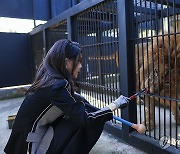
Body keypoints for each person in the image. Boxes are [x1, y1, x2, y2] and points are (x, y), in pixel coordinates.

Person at [4, 39, 129, 154]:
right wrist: (115, 104)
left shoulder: (49, 78)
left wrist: (77, 98)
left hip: (26, 139)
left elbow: (72, 102)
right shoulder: (57, 86)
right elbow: (87, 119)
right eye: (77, 61)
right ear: (66, 61)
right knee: (90, 120)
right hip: (29, 146)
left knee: (85, 111)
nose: (80, 66)